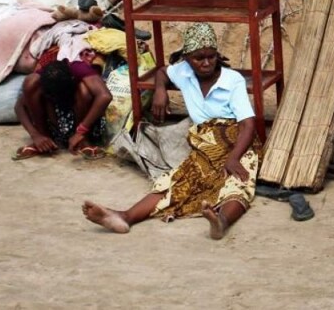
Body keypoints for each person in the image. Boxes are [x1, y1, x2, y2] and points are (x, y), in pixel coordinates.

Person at [82, 22, 262, 239]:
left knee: (238, 180)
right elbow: (162, 72)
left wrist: (234, 158)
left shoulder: (232, 80)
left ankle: (221, 221)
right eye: (199, 58)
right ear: (186, 58)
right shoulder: (183, 72)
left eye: (211, 57)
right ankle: (125, 216)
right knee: (177, 180)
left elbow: (248, 124)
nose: (206, 63)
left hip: (236, 140)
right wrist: (160, 90)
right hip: (204, 143)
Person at [13, 49, 112, 160]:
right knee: (30, 83)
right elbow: (19, 106)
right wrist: (35, 135)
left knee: (85, 90)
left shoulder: (79, 69)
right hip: (55, 122)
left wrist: (81, 131)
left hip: (81, 122)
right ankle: (45, 138)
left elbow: (105, 96)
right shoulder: (41, 77)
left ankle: (83, 140)